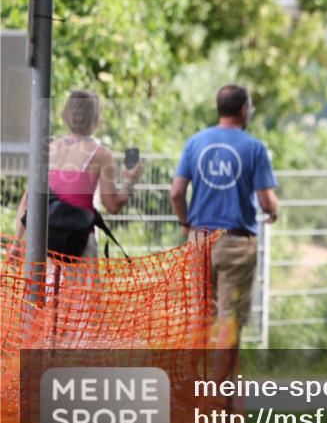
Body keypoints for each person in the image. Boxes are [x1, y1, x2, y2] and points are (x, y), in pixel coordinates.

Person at [170, 85, 278, 362]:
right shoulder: (254, 148)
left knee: (200, 317)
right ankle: (218, 387)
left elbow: (176, 192)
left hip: (199, 240)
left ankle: (194, 382)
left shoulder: (195, 143)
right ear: (243, 109)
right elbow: (266, 200)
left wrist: (185, 224)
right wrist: (273, 211)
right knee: (228, 321)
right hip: (236, 244)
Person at [14, 90, 142, 258]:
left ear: (66, 114)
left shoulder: (48, 149)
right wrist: (130, 182)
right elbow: (112, 205)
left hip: (45, 243)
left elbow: (28, 200)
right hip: (78, 245)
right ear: (96, 118)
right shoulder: (102, 154)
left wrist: (17, 244)